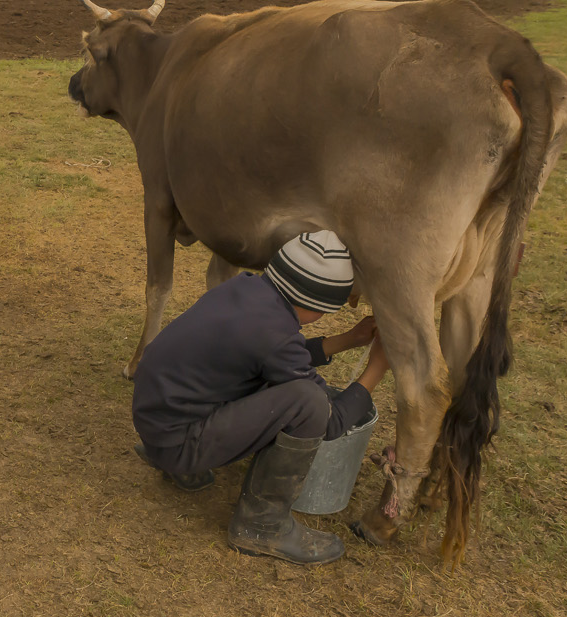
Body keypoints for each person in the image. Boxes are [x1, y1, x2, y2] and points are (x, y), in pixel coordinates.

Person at [130, 231, 390, 565]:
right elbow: (330, 421)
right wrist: (377, 369)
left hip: (158, 420)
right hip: (178, 441)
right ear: (317, 306)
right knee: (308, 401)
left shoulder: (245, 289)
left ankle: (176, 462)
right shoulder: (275, 337)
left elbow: (277, 354)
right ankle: (261, 524)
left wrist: (349, 339)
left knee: (284, 385)